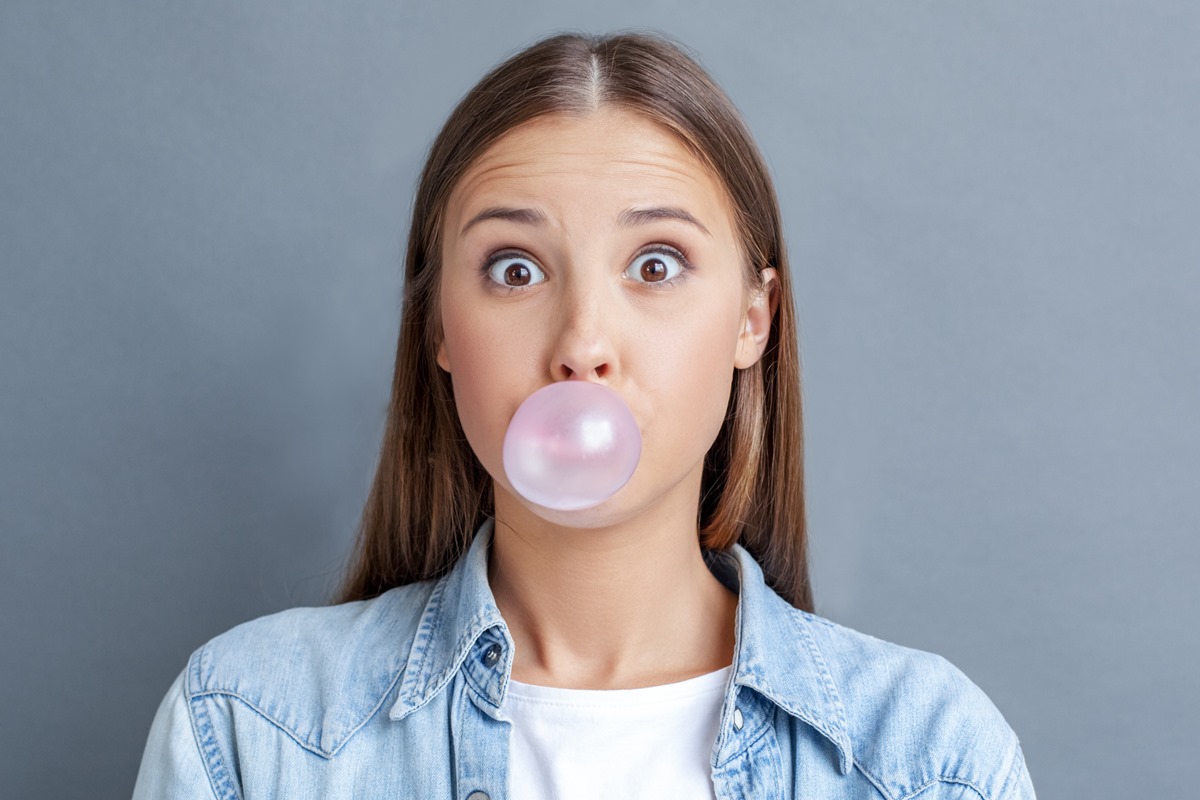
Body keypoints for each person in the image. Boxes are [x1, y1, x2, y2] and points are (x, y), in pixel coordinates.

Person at [132, 31, 1036, 800]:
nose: (582, 344)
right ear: (440, 325)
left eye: (656, 264)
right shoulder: (249, 733)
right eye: (514, 269)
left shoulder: (929, 760)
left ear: (752, 320)